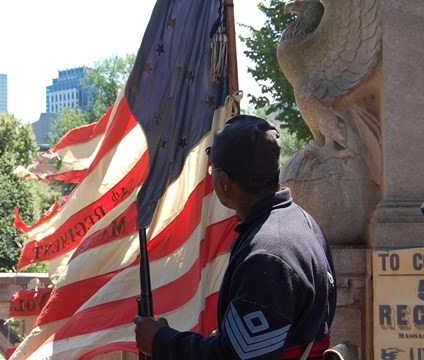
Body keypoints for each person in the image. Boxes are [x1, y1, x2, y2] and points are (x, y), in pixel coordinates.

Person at [134, 115, 337, 359]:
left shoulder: (267, 254)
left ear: (224, 181)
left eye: (213, 171)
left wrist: (160, 341)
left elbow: (234, 356)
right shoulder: (304, 222)